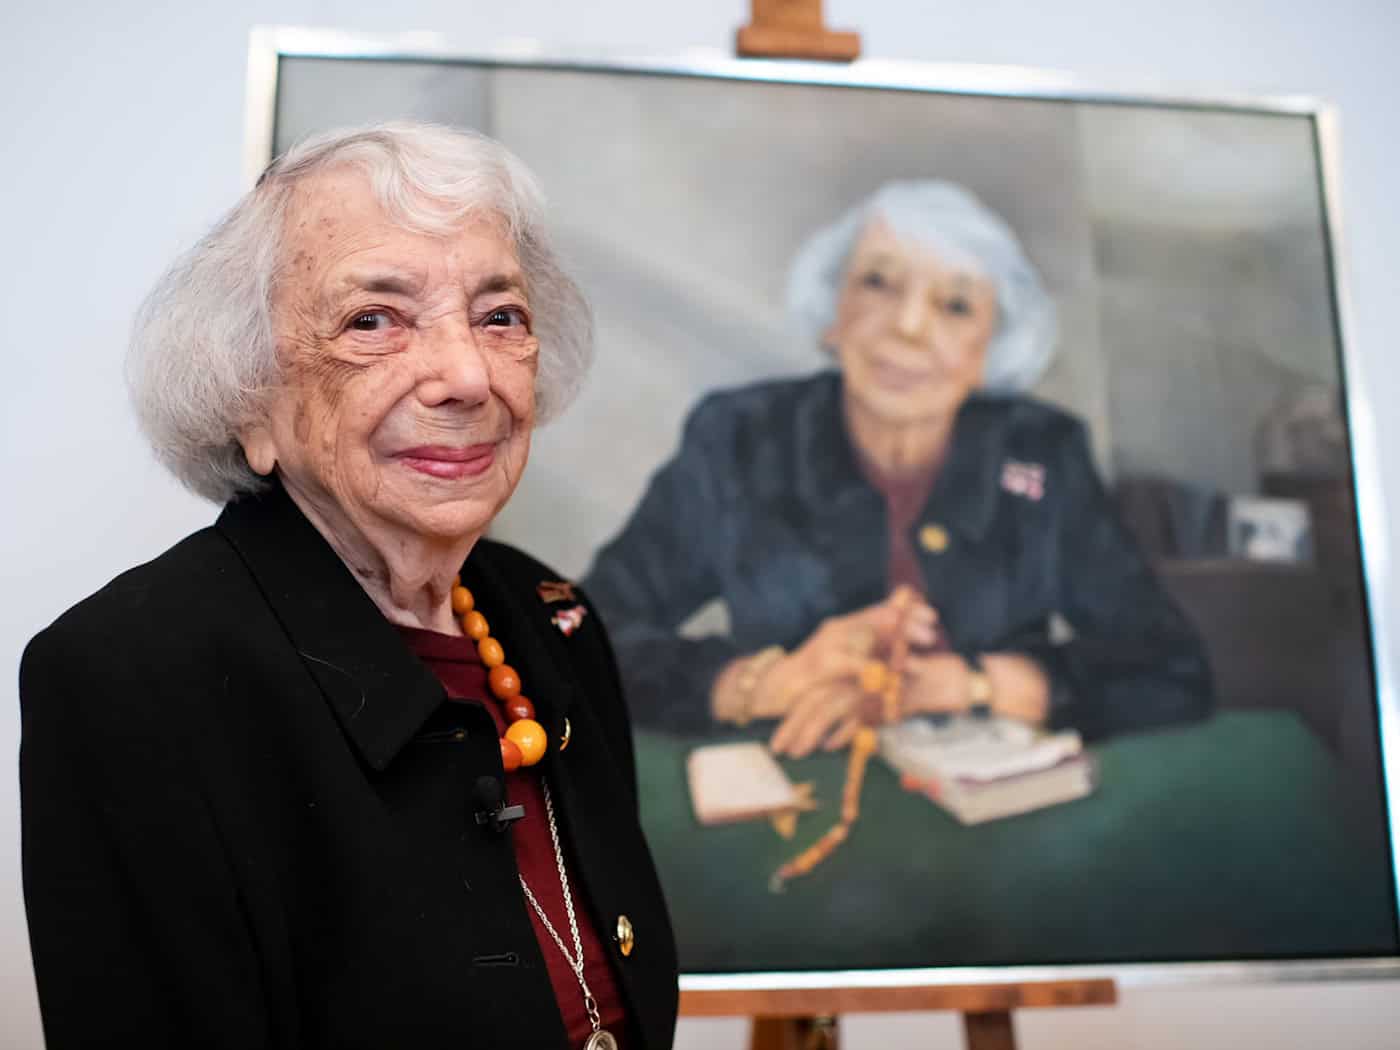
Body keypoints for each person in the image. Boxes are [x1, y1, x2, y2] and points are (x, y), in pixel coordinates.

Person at [20, 123, 677, 1050]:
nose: (465, 375)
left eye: (499, 316)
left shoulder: (549, 615)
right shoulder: (131, 678)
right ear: (249, 398)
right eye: (374, 320)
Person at [584, 181, 1213, 756]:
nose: (909, 328)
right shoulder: (741, 439)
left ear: (991, 349)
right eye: (879, 284)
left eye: (957, 307)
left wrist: (968, 684)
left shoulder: (1041, 452)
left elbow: (1171, 669)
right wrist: (766, 682)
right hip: (795, 777)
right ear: (834, 314)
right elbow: (581, 636)